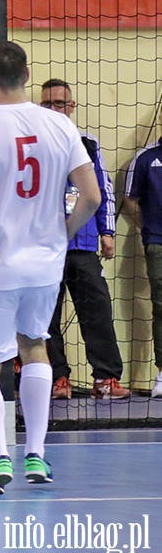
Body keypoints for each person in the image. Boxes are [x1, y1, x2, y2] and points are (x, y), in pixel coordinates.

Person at [0, 41, 100, 495]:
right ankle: (36, 452)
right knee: (35, 346)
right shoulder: (60, 125)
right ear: (28, 75)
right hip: (44, 264)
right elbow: (91, 197)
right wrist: (61, 232)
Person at [39, 79, 129, 400]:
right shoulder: (33, 143)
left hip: (83, 244)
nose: (55, 108)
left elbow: (102, 189)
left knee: (97, 310)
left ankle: (106, 379)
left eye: (60, 103)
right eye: (48, 103)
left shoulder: (87, 144)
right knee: (46, 315)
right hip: (44, 246)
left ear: (72, 107)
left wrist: (107, 232)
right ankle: (57, 378)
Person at [124, 137, 162, 398]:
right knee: (160, 305)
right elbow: (130, 200)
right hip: (158, 242)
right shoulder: (146, 158)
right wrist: (149, 230)